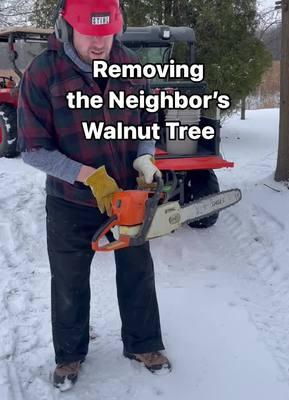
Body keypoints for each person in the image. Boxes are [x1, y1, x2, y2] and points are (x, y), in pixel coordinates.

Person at [17, 0, 171, 391]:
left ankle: (143, 344)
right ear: (67, 28)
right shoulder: (43, 72)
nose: (100, 44)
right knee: (68, 280)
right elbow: (33, 148)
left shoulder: (132, 66)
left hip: (129, 198)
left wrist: (145, 159)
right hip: (70, 202)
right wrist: (88, 177)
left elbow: (147, 121)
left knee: (138, 271)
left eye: (107, 34)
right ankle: (69, 355)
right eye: (90, 35)